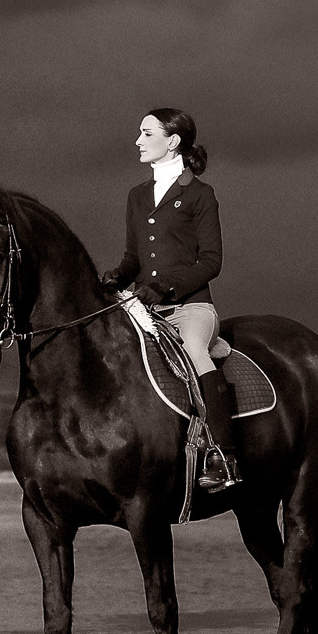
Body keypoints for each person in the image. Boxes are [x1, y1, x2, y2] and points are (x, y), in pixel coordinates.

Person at [101, 108, 239, 490]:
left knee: (195, 352)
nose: (138, 142)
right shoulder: (138, 195)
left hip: (191, 306)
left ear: (172, 141)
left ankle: (223, 455)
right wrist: (116, 277)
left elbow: (212, 261)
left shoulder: (199, 195)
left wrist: (166, 288)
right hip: (144, 307)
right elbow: (134, 258)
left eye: (147, 134)